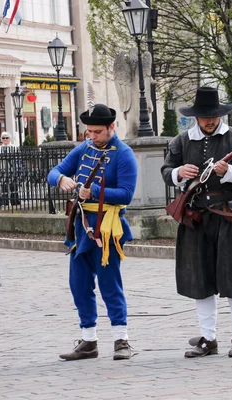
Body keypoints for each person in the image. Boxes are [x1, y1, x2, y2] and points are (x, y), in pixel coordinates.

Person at [161, 87, 232, 358]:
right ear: (196, 117)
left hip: (229, 216)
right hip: (195, 218)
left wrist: (229, 171)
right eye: (204, 116)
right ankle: (208, 337)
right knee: (200, 279)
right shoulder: (182, 141)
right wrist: (178, 173)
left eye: (213, 116)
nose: (209, 121)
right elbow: (166, 170)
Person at [47, 104, 138, 361]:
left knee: (110, 285)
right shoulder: (84, 149)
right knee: (79, 284)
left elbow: (127, 194)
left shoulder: (124, 154)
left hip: (107, 227)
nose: (92, 136)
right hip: (81, 225)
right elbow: (54, 172)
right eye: (89, 132)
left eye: (97, 132)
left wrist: (96, 191)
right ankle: (89, 341)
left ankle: (121, 340)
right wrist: (60, 179)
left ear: (111, 128)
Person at [0, 132, 20, 206]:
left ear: (10, 139)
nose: (5, 139)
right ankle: (4, 201)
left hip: (12, 168)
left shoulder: (14, 147)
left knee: (13, 184)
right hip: (2, 168)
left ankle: (15, 201)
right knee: (3, 185)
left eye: (7, 138)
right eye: (3, 138)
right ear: (1, 139)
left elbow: (17, 158)